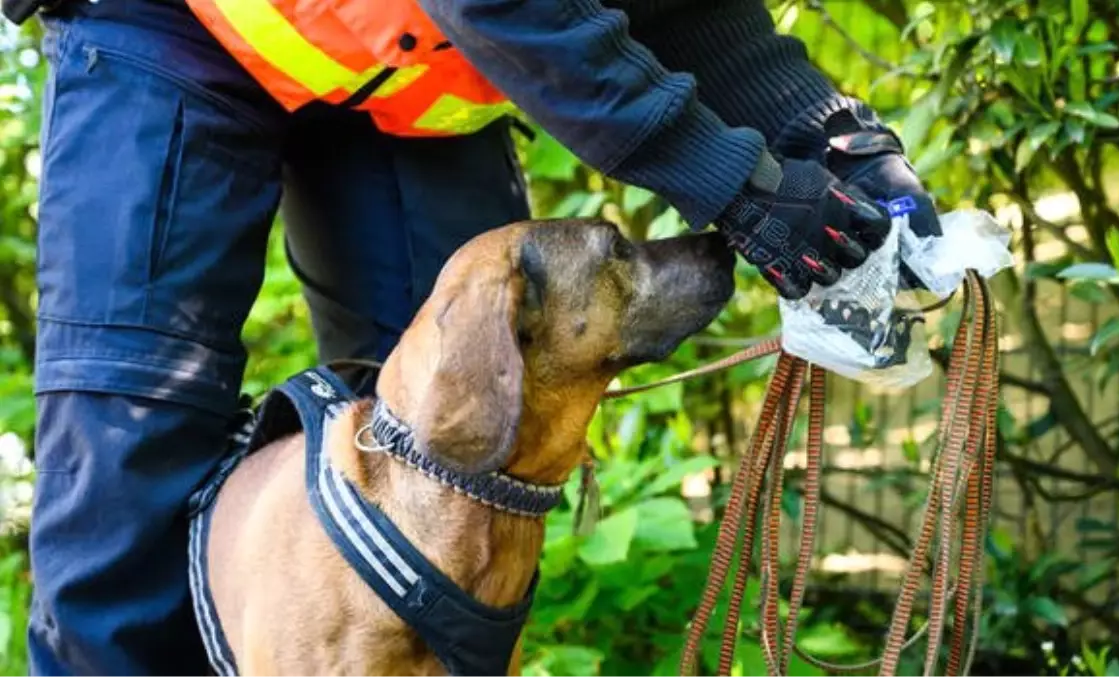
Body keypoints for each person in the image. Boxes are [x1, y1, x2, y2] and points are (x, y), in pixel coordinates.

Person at [7, 0, 939, 673]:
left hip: (409, 74)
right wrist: (740, 189)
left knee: (462, 466)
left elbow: (686, 11)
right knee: (124, 473)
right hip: (176, 22)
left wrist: (834, 135)